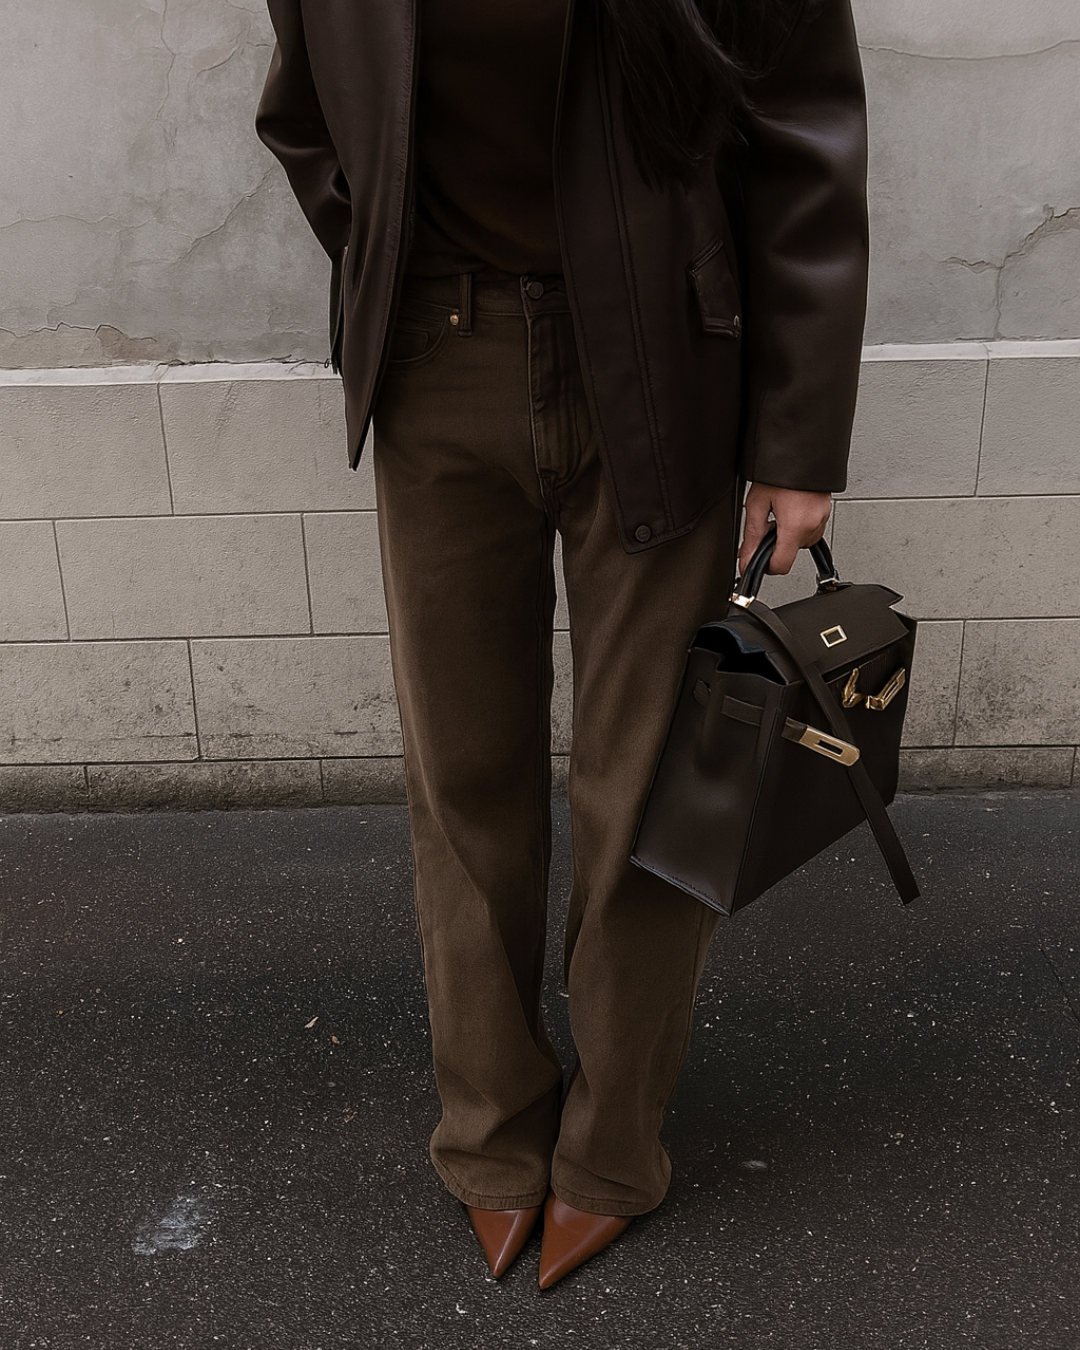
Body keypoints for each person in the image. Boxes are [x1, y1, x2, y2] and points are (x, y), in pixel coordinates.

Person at [256, 0, 867, 1288]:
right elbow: (306, 113)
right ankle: (489, 1133)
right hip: (436, 363)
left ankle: (613, 1144)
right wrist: (379, 268)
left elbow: (805, 132)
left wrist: (799, 445)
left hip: (660, 369)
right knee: (463, 779)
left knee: (644, 781)